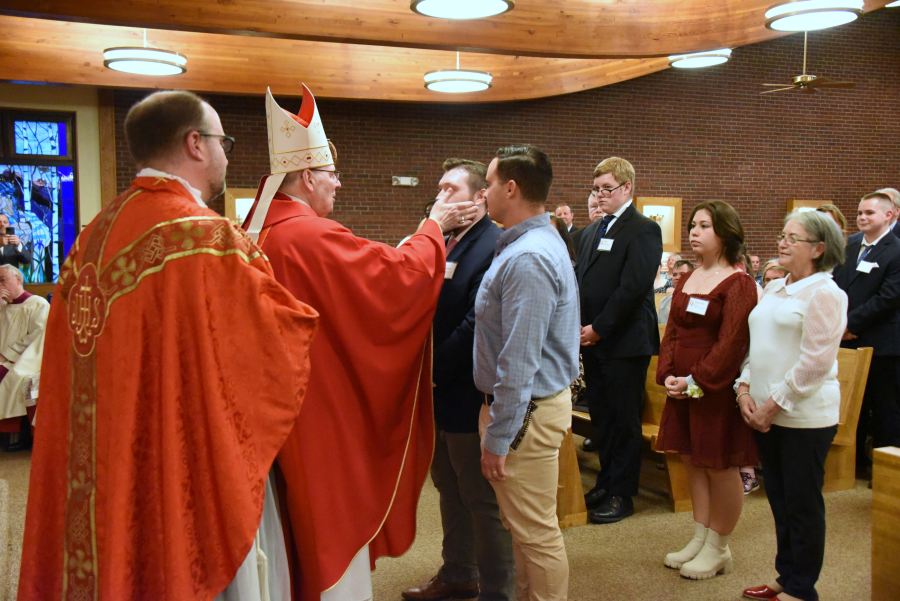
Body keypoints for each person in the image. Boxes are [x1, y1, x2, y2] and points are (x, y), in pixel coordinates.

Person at [18, 90, 320, 601]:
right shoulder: (205, 239)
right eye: (223, 140)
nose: (228, 153)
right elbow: (276, 338)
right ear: (195, 144)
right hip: (177, 453)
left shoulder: (90, 237)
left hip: (102, 455)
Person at [242, 86, 476, 601]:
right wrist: (433, 226)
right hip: (314, 412)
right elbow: (393, 280)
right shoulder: (306, 234)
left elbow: (353, 276)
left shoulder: (260, 229)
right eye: (332, 175)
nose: (339, 183)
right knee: (326, 518)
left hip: (268, 411)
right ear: (307, 177)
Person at [402, 159, 513, 601]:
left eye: (451, 189)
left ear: (479, 197)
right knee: (449, 487)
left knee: (481, 500)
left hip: (466, 389)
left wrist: (430, 371)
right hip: (437, 394)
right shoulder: (442, 240)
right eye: (439, 189)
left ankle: (496, 590)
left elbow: (476, 326)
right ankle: (458, 574)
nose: (441, 196)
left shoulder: (494, 243)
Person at [475, 145, 579, 601]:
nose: (484, 192)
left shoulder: (528, 257)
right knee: (524, 529)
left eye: (490, 183)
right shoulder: (530, 242)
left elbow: (519, 363)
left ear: (511, 188)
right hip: (528, 410)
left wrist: (499, 437)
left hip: (525, 414)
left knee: (536, 533)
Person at [737, 211, 847, 601]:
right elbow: (757, 347)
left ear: (818, 248)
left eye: (792, 238)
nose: (782, 242)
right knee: (780, 502)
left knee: (802, 504)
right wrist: (745, 388)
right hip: (767, 412)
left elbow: (815, 363)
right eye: (782, 235)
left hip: (803, 416)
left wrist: (771, 406)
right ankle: (787, 576)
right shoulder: (777, 287)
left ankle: (803, 588)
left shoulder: (826, 293)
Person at [655, 200, 759, 580]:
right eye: (693, 226)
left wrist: (695, 381)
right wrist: (668, 373)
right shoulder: (688, 277)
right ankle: (700, 537)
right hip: (682, 386)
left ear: (725, 234)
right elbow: (673, 332)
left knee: (719, 466)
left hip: (712, 389)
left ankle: (719, 547)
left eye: (703, 226)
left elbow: (732, 343)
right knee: (692, 461)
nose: (694, 233)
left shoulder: (739, 282)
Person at [574, 156, 662, 524]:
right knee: (603, 419)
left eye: (607, 189)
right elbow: (583, 283)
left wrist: (599, 328)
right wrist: (580, 328)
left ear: (627, 188)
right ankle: (605, 483)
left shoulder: (642, 228)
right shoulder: (594, 230)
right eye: (596, 189)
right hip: (593, 340)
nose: (600, 195)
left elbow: (633, 288)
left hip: (625, 341)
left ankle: (622, 493)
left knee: (624, 421)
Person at [833, 191, 900, 477]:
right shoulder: (849, 245)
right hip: (847, 340)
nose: (862, 217)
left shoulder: (896, 250)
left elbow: (888, 298)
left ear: (889, 215)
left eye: (869, 213)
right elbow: (835, 285)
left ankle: (885, 472)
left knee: (885, 410)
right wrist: (839, 323)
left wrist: (851, 324)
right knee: (851, 407)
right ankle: (851, 466)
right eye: (859, 212)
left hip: (882, 343)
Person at [0, 264, 49, 451]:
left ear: (18, 279)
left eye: (2, 280)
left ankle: (19, 436)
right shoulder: (3, 306)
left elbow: (38, 337)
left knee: (13, 380)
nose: (0, 285)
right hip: (6, 358)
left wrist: (8, 355)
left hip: (26, 360)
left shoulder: (38, 304)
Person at [658, 259, 693, 324]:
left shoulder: (696, 301)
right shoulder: (664, 301)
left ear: (691, 275)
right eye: (674, 275)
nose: (677, 277)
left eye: (682, 274)